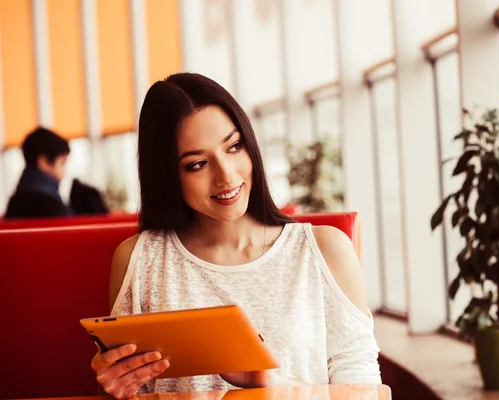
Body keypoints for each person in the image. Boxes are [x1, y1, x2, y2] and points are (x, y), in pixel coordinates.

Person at [90, 73, 381, 398]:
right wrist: (115, 390)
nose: (226, 176)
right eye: (198, 164)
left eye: (234, 146)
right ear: (167, 175)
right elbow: (132, 390)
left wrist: (272, 384)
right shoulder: (139, 260)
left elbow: (364, 392)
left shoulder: (324, 251)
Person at [4, 127, 71, 219]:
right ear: (43, 162)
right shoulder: (51, 206)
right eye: (62, 163)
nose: (64, 172)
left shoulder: (16, 201)